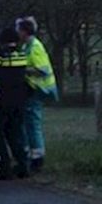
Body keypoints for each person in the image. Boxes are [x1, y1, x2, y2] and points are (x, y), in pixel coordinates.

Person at [16, 16, 58, 171]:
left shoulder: (34, 47)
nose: (17, 32)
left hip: (37, 89)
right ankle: (30, 155)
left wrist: (21, 70)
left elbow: (42, 69)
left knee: (33, 123)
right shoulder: (26, 46)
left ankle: (38, 158)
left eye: (19, 29)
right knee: (28, 123)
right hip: (30, 89)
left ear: (25, 31)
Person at [0, 27, 30, 179]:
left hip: (3, 101)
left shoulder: (1, 57)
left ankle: (4, 168)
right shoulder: (22, 55)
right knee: (15, 134)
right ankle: (22, 166)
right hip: (19, 101)